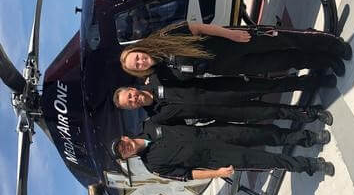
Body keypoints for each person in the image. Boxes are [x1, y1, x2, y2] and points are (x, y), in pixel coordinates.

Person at [119, 22, 352, 80]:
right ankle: (325, 60)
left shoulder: (164, 37)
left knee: (284, 39)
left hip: (231, 41)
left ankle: (333, 44)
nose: (141, 62)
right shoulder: (163, 75)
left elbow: (197, 27)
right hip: (229, 66)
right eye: (137, 66)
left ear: (138, 49)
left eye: (136, 57)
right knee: (283, 60)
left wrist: (231, 33)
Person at [110, 122, 335, 180]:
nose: (126, 148)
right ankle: (311, 166)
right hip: (215, 158)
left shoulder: (150, 125)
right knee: (266, 159)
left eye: (122, 144)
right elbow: (187, 175)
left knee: (265, 134)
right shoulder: (153, 166)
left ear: (124, 137)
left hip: (215, 133)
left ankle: (310, 138)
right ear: (127, 157)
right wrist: (216, 173)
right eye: (123, 152)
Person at [112, 84, 334, 125]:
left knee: (270, 87)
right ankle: (311, 113)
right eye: (130, 104)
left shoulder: (157, 78)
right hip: (221, 112)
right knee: (270, 111)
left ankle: (310, 82)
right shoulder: (157, 118)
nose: (133, 100)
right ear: (131, 108)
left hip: (225, 89)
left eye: (129, 96)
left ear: (131, 88)